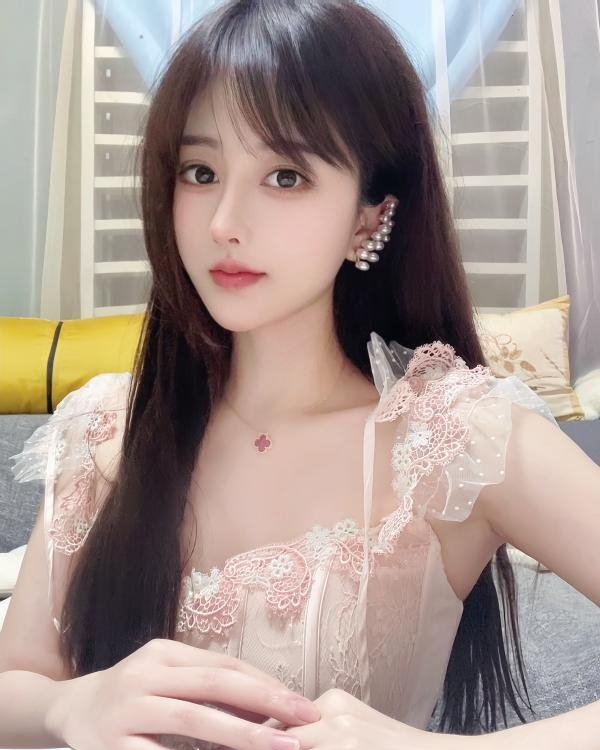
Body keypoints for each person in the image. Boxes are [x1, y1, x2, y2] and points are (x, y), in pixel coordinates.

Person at [1, 0, 599, 748]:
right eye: (200, 171)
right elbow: (14, 685)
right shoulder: (104, 432)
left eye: (285, 176)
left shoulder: (452, 439)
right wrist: (70, 706)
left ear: (369, 217)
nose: (224, 221)